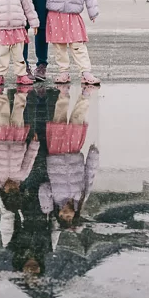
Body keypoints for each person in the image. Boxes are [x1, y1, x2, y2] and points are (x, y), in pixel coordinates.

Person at [39, 88, 99, 228]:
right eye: (69, 217)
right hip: (74, 153)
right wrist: (93, 156)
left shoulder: (54, 198)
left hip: (56, 153)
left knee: (59, 119)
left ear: (58, 214)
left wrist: (46, 208)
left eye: (63, 216)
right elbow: (89, 175)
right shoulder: (82, 197)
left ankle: (63, 93)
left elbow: (43, 188)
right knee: (77, 120)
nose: (66, 214)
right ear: (74, 215)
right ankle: (86, 94)